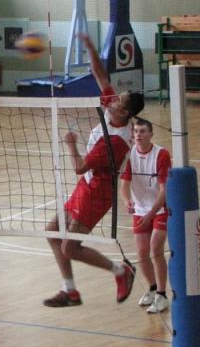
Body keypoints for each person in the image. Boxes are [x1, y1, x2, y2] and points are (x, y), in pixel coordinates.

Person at [43, 33, 145, 307]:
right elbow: (101, 76)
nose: (113, 99)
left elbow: (79, 167)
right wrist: (90, 48)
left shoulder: (115, 142)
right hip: (88, 184)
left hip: (98, 192)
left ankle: (121, 271)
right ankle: (70, 291)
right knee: (53, 232)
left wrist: (70, 144)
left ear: (124, 113)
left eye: (119, 100)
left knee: (70, 246)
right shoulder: (114, 111)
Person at [120, 118, 171, 313]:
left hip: (160, 208)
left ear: (151, 134)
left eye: (142, 131)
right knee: (142, 253)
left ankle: (162, 295)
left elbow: (164, 190)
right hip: (141, 209)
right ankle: (152, 288)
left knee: (155, 248)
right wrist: (127, 201)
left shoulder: (161, 154)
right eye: (136, 131)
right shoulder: (130, 154)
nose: (138, 134)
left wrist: (151, 213)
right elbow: (124, 185)